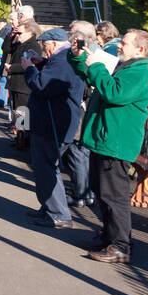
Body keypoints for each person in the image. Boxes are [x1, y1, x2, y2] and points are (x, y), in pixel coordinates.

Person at [69, 29, 148, 264]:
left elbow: (114, 93)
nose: (119, 46)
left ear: (140, 49)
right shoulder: (126, 66)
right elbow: (93, 79)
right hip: (105, 140)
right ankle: (109, 237)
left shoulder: (139, 73)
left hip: (116, 143)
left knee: (114, 197)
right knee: (102, 193)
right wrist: (80, 58)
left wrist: (96, 66)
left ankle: (120, 246)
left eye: (124, 43)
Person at [23, 28, 87, 227]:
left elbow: (43, 85)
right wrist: (41, 63)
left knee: (46, 167)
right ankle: (50, 208)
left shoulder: (63, 60)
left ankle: (58, 213)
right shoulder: (62, 59)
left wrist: (30, 69)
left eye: (45, 45)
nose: (43, 48)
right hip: (54, 122)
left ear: (55, 44)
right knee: (48, 166)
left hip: (53, 123)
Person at [63, 20, 99, 208]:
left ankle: (81, 193)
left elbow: (85, 80)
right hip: (84, 108)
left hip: (82, 109)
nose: (69, 35)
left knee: (77, 152)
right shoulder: (87, 52)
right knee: (82, 154)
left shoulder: (91, 55)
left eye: (72, 32)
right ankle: (86, 192)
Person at [5, 15, 43, 142]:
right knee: (18, 112)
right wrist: (11, 35)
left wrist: (11, 68)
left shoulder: (33, 45)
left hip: (23, 86)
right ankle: (19, 138)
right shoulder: (20, 43)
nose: (18, 35)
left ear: (30, 32)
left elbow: (29, 65)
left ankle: (22, 140)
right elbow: (6, 49)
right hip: (16, 84)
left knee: (22, 113)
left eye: (20, 32)